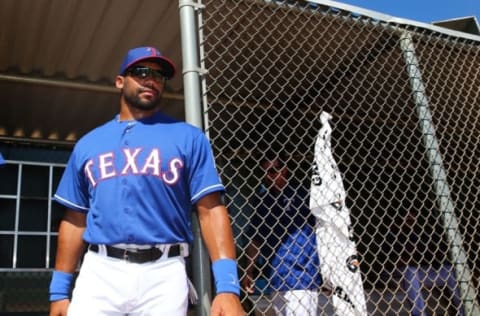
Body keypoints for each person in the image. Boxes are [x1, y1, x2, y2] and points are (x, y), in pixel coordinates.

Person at [48, 46, 244, 316]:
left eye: (159, 75)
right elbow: (74, 219)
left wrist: (228, 287)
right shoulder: (88, 144)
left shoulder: (188, 137)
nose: (151, 80)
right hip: (100, 270)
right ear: (120, 81)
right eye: (141, 72)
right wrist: (59, 292)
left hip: (164, 272)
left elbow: (210, 211)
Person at [242, 151, 322, 316]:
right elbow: (256, 237)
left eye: (272, 171)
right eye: (264, 172)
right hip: (277, 277)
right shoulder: (263, 201)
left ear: (284, 170)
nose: (268, 176)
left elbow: (322, 230)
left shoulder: (301, 194)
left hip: (302, 276)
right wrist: (249, 270)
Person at [386, 210, 464, 316]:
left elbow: (430, 256)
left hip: (420, 272)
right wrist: (410, 257)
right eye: (407, 217)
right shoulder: (393, 233)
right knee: (411, 270)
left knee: (449, 270)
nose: (410, 219)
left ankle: (464, 312)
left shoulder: (420, 232)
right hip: (397, 275)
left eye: (412, 216)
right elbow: (393, 261)